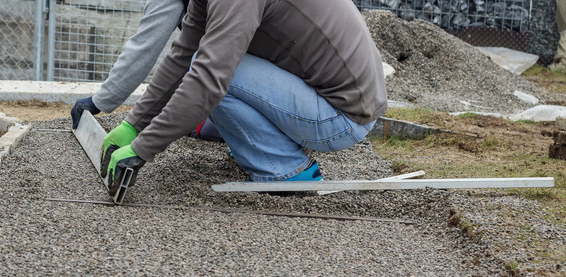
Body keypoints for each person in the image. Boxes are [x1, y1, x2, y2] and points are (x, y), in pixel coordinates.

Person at [99, 0, 388, 196]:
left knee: (215, 70)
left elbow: (209, 77)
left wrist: (142, 149)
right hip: (336, 99)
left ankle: (283, 169)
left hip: (341, 117)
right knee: (208, 59)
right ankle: (259, 144)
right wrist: (134, 125)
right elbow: (184, 52)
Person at [70, 0, 222, 141]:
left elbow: (144, 46)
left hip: (230, 68)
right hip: (233, 63)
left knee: (201, 125)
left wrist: (98, 102)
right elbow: (183, 55)